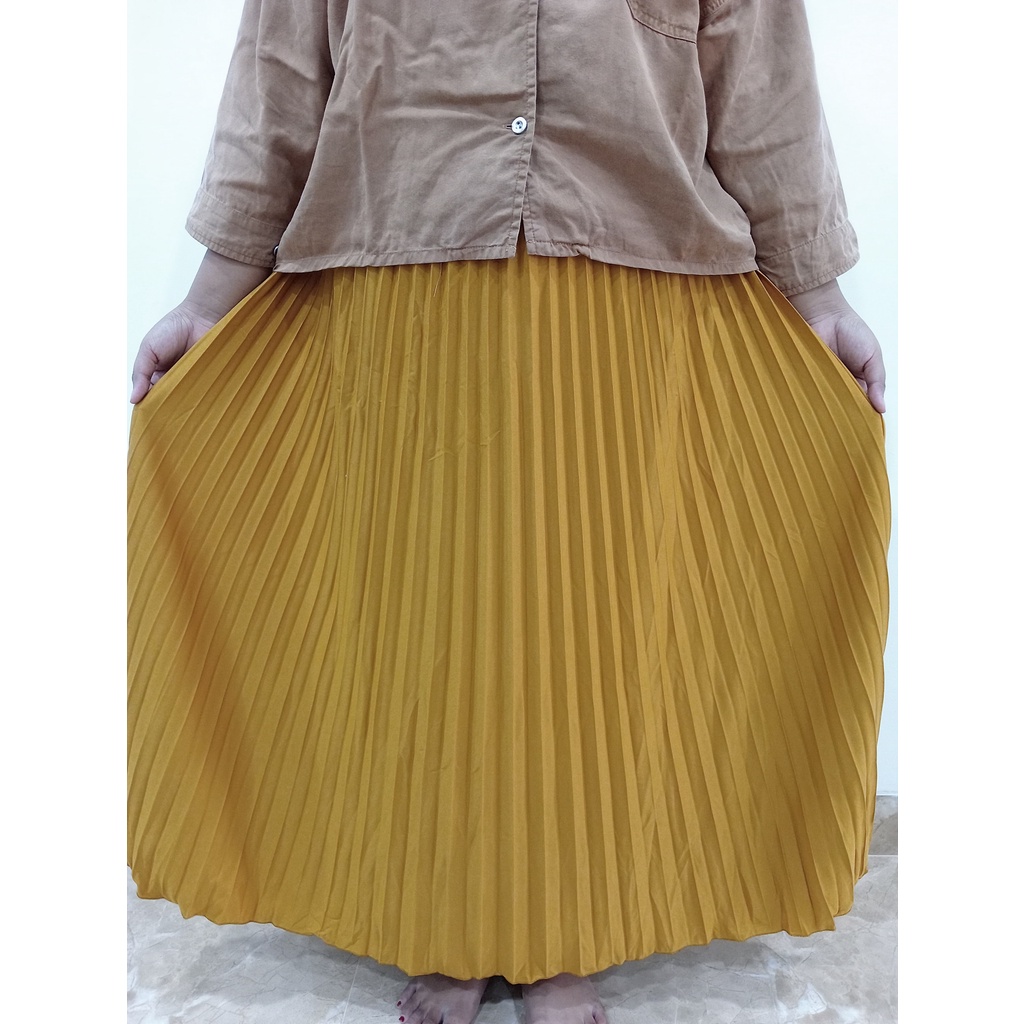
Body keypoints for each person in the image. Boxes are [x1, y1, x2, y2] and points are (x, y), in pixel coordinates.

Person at [128, 2, 890, 1023]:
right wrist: (212, 298)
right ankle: (450, 923)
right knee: (424, 639)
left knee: (594, 642)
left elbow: (761, 80)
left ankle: (565, 932)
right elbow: (282, 70)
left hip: (634, 294)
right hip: (401, 295)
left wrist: (818, 297)